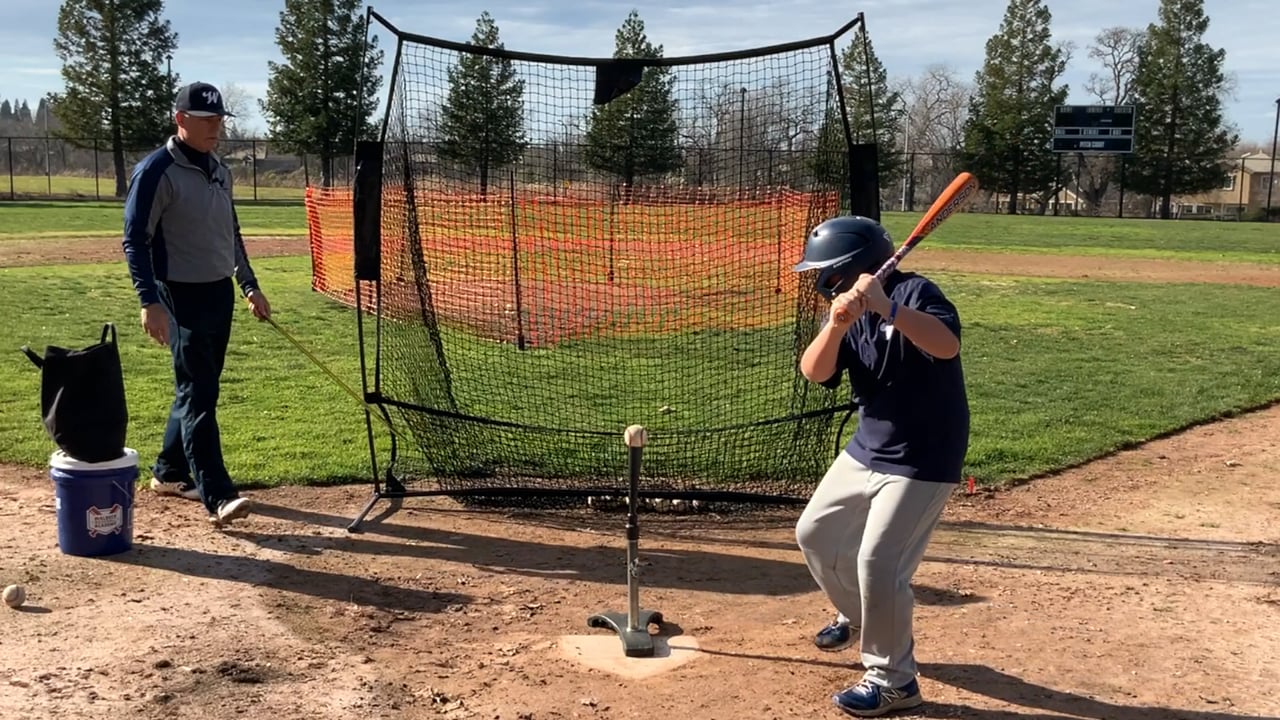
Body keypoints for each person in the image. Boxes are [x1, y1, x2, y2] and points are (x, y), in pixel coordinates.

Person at [791, 215, 969, 717]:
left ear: (847, 266)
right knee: (815, 534)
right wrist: (837, 323)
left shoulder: (914, 292)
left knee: (879, 561)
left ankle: (894, 681)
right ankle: (862, 616)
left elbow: (946, 345)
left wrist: (887, 307)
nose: (820, 281)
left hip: (924, 455)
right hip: (868, 448)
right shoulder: (845, 311)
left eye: (825, 271)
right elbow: (814, 371)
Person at [121, 81, 271, 526]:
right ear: (180, 119)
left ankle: (168, 472)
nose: (215, 127)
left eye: (219, 119)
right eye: (206, 120)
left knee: (197, 386)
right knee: (200, 391)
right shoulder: (155, 171)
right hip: (178, 294)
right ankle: (218, 494)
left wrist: (249, 285)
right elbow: (135, 240)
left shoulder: (221, 170)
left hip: (217, 293)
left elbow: (232, 233)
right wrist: (149, 301)